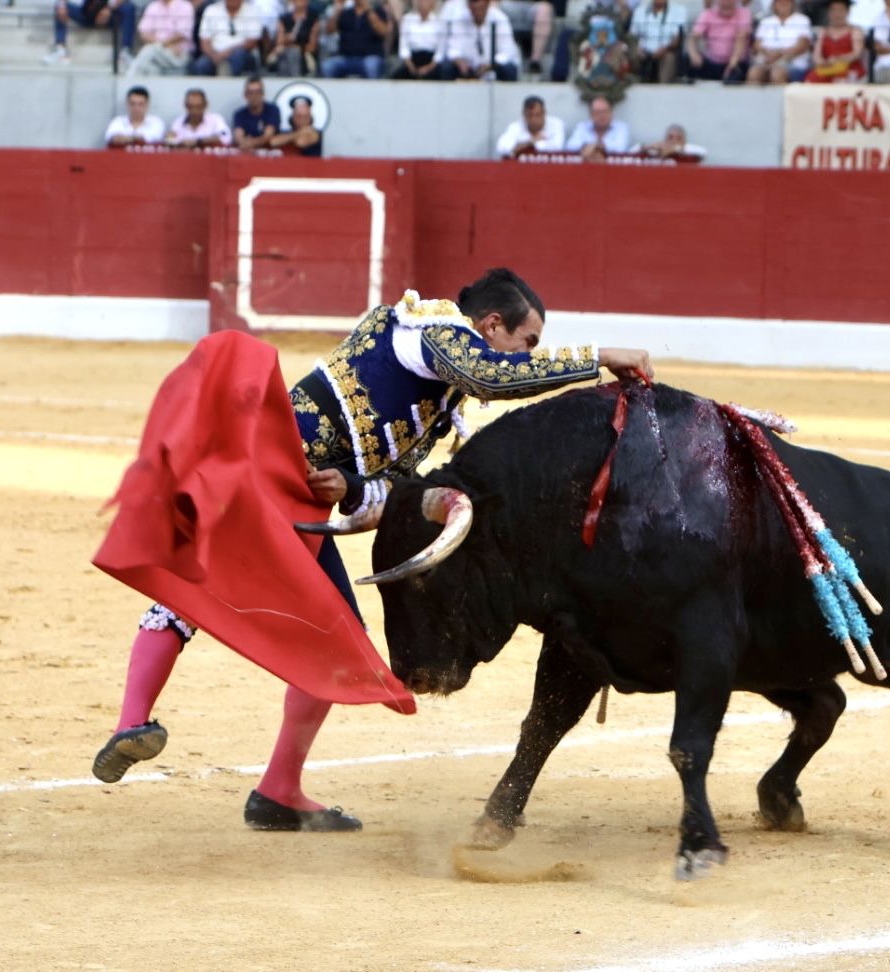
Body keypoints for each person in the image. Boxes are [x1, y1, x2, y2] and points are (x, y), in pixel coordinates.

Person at [91, 268, 654, 832]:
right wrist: (600, 356)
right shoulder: (427, 329)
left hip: (302, 502)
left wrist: (352, 488)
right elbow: (490, 375)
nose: (528, 354)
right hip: (260, 463)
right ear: (491, 324)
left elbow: (388, 496)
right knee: (195, 588)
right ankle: (131, 723)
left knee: (337, 641)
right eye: (526, 342)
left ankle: (277, 790)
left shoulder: (439, 404)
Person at [44, 0, 138, 67]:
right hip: (85, 13)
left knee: (129, 7)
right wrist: (61, 5)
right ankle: (60, 49)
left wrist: (109, 9)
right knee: (59, 6)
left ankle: (125, 51)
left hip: (108, 13)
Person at [444, 0, 522, 80]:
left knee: (508, 69)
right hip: (469, 68)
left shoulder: (500, 19)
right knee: (446, 67)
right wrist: (459, 61)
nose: (474, 7)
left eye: (477, 2)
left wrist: (489, 65)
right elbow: (453, 48)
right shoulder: (460, 19)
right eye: (471, 2)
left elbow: (507, 52)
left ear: (487, 3)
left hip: (493, 67)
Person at [746, 0, 812, 84]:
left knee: (776, 74)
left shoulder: (802, 20)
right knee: (754, 74)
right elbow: (757, 44)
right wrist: (768, 54)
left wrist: (780, 54)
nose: (783, 4)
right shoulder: (766, 21)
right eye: (779, 2)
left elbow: (802, 45)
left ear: (792, 4)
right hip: (767, 59)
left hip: (791, 61)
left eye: (786, 2)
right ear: (774, 5)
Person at [320, 0, 391, 79]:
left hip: (369, 57)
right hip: (346, 58)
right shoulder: (346, 12)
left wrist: (369, 11)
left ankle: (372, 91)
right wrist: (337, 11)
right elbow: (330, 30)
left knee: (371, 66)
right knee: (328, 66)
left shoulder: (378, 11)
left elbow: (382, 31)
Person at [686, 0, 752, 83]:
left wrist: (732, 63)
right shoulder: (707, 13)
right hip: (711, 62)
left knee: (734, 74)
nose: (727, 3)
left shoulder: (744, 13)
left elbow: (741, 39)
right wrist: (694, 54)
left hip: (735, 62)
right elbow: (693, 38)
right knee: (690, 62)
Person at [191, 0, 263, 76]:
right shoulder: (212, 10)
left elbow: (252, 42)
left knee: (237, 57)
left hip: (241, 53)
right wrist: (215, 56)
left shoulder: (252, 11)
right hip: (215, 54)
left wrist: (227, 53)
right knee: (201, 65)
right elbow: (204, 41)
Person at [126, 0, 195, 76]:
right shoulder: (153, 6)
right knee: (151, 68)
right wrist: (161, 44)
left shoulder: (185, 6)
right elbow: (143, 33)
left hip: (179, 54)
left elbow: (183, 34)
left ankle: (127, 80)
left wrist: (161, 44)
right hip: (158, 51)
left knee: (148, 51)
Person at [805, 0, 865, 82]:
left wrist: (838, 59)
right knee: (810, 80)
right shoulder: (823, 32)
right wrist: (824, 62)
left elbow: (857, 53)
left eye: (841, 10)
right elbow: (816, 56)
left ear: (848, 12)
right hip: (827, 69)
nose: (837, 14)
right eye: (833, 10)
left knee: (840, 82)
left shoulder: (855, 31)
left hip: (849, 69)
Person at [631, 0, 689, 84]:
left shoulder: (679, 11)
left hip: (667, 51)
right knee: (632, 54)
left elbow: (678, 37)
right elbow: (632, 36)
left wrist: (665, 49)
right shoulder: (639, 11)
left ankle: (663, 88)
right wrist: (637, 48)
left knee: (670, 58)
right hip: (643, 52)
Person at [390, 0, 446, 79]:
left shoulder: (439, 21)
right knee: (396, 77)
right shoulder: (407, 19)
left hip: (431, 60)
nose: (423, 2)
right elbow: (404, 48)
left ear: (433, 2)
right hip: (412, 60)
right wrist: (411, 67)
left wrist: (429, 68)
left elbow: (440, 51)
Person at [495, 94, 565, 156]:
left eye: (537, 115)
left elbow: (557, 148)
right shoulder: (515, 126)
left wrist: (523, 146)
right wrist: (531, 142)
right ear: (523, 114)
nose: (533, 119)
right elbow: (502, 148)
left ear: (544, 113)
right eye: (530, 115)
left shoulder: (555, 124)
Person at [565, 94, 631, 159]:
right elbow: (570, 146)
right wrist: (587, 147)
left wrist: (595, 147)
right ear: (591, 114)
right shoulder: (582, 127)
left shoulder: (621, 128)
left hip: (614, 168)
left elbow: (620, 148)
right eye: (597, 112)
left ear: (611, 112)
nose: (601, 116)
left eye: (605, 111)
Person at [165, 87, 232, 148]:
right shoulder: (178, 122)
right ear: (185, 106)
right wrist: (169, 140)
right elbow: (170, 141)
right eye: (190, 107)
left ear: (205, 105)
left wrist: (198, 141)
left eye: (198, 107)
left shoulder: (215, 119)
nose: (194, 111)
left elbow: (225, 137)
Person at [232, 75, 280, 149]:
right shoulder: (239, 114)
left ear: (263, 94)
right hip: (247, 153)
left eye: (258, 92)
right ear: (245, 95)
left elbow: (268, 136)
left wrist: (251, 143)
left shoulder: (272, 110)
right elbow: (238, 136)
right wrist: (244, 142)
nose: (254, 96)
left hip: (269, 153)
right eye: (250, 93)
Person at [636, 122, 706, 158]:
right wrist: (649, 147)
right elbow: (633, 150)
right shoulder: (656, 150)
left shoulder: (689, 150)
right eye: (670, 137)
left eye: (679, 138)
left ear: (684, 140)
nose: (674, 140)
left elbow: (703, 152)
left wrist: (675, 148)